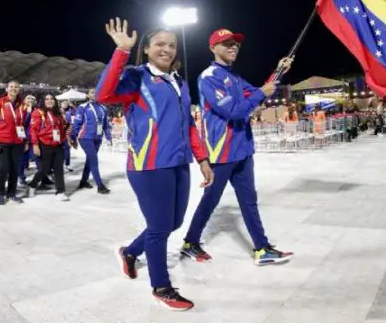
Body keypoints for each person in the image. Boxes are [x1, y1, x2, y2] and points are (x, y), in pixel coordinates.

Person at [97, 18, 213, 311]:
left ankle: (130, 252)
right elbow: (103, 95)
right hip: (148, 165)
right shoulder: (136, 78)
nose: (167, 49)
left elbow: (189, 126)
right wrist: (122, 51)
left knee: (172, 223)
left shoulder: (180, 83)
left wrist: (202, 159)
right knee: (160, 227)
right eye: (160, 44)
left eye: (172, 45)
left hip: (178, 162)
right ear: (146, 49)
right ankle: (161, 287)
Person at [179, 28, 294, 266]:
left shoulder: (234, 77)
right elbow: (234, 110)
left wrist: (278, 71)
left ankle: (262, 249)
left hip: (242, 150)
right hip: (222, 152)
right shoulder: (209, 77)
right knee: (210, 200)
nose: (233, 47)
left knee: (249, 200)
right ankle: (190, 242)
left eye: (235, 44)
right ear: (213, 48)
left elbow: (258, 94)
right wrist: (261, 92)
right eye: (226, 43)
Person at [0, 80, 26, 204]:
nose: (13, 89)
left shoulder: (22, 104)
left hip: (17, 142)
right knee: (4, 167)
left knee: (15, 168)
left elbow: (23, 124)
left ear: (18, 90)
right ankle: (0, 192)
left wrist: (25, 141)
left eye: (16, 87)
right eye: (11, 87)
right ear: (7, 88)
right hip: (2, 141)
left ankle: (12, 193)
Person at [28, 93, 69, 201]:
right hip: (44, 145)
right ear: (43, 101)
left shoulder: (58, 113)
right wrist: (35, 145)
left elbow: (61, 128)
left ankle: (60, 191)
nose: (49, 100)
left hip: (58, 145)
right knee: (44, 169)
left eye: (51, 99)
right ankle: (33, 184)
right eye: (47, 99)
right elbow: (33, 130)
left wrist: (65, 138)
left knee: (59, 168)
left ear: (55, 101)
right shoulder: (38, 112)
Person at [70, 88, 112, 194]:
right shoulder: (83, 107)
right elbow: (77, 124)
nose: (95, 94)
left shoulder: (103, 108)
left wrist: (108, 137)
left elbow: (106, 125)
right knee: (94, 160)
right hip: (85, 137)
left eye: (97, 92)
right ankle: (100, 185)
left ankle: (83, 182)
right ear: (88, 95)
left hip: (98, 138)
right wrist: (73, 138)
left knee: (90, 160)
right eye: (92, 92)